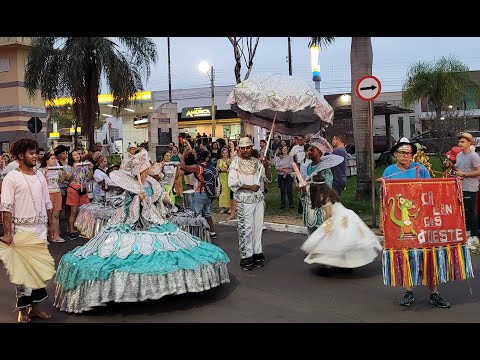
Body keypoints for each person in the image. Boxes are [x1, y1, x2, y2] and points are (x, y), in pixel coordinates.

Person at [53, 149, 230, 313]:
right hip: (135, 223)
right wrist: (139, 199)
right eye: (148, 166)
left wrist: (164, 199)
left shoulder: (152, 182)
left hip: (154, 221)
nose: (151, 168)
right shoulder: (132, 186)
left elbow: (160, 198)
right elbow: (129, 210)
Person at [382, 137, 450, 308]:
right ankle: (408, 291)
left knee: (429, 256)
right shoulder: (389, 172)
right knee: (407, 256)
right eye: (403, 153)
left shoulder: (421, 169)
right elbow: (385, 198)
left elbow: (431, 192)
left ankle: (434, 293)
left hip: (423, 219)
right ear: (395, 154)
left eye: (410, 153)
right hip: (400, 222)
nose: (407, 156)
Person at [0, 138, 53, 323]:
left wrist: (50, 226)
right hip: (21, 230)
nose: (35, 157)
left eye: (36, 153)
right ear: (20, 155)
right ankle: (22, 309)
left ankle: (35, 307)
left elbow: (47, 201)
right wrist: (7, 233)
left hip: (40, 230)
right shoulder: (11, 178)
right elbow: (5, 208)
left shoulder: (39, 176)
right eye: (31, 153)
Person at [300, 174, 382, 269]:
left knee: (332, 240)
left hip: (338, 218)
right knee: (345, 240)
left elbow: (328, 213)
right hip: (348, 215)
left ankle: (330, 262)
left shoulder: (322, 196)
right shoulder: (330, 192)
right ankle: (346, 263)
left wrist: (326, 225)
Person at [228, 137, 272, 270]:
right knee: (246, 229)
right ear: (239, 149)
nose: (245, 150)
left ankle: (257, 253)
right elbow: (232, 183)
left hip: (258, 199)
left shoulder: (256, 162)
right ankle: (247, 257)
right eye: (243, 148)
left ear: (251, 147)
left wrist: (266, 166)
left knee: (258, 228)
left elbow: (267, 178)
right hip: (244, 201)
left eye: (248, 147)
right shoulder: (235, 162)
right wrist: (249, 187)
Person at [299, 138, 344, 235]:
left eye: (312, 150)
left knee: (322, 236)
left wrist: (307, 188)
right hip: (309, 207)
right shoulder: (306, 167)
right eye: (309, 150)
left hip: (321, 208)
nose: (309, 152)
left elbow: (326, 188)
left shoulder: (325, 170)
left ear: (319, 152)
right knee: (311, 234)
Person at [180, 149, 218, 239]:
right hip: (209, 193)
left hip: (200, 193)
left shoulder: (198, 167)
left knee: (194, 214)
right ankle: (212, 232)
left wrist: (184, 155)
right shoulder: (210, 166)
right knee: (207, 213)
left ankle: (194, 235)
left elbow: (183, 167)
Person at [453, 132, 480, 245]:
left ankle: (474, 235)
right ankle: (468, 232)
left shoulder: (474, 156)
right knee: (463, 211)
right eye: (459, 141)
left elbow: (479, 171)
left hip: (470, 187)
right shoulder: (459, 155)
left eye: (463, 141)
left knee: (470, 211)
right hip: (460, 186)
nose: (460, 144)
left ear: (469, 143)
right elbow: (458, 169)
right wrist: (451, 166)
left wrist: (464, 174)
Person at [64, 149, 94, 240]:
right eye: (75, 155)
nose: (77, 156)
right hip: (73, 187)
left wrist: (91, 168)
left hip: (82, 187)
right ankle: (71, 230)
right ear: (71, 157)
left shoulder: (84, 165)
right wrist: (74, 169)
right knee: (73, 211)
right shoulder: (68, 166)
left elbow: (89, 177)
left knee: (84, 210)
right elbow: (67, 178)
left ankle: (82, 229)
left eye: (78, 154)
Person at [39, 151, 66, 243]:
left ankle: (56, 235)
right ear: (47, 160)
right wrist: (45, 174)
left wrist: (63, 173)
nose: (54, 160)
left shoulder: (57, 169)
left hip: (57, 192)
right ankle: (47, 235)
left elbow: (62, 181)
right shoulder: (41, 170)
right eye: (52, 159)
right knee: (47, 216)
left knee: (56, 215)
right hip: (47, 194)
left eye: (55, 159)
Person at [217, 147, 231, 214]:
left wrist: (223, 169)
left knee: (228, 192)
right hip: (221, 177)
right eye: (223, 153)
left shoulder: (230, 160)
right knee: (221, 192)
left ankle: (230, 207)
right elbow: (217, 168)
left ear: (228, 153)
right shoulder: (219, 160)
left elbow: (229, 169)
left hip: (228, 177)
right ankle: (223, 207)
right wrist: (219, 169)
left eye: (226, 152)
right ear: (221, 154)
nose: (225, 154)